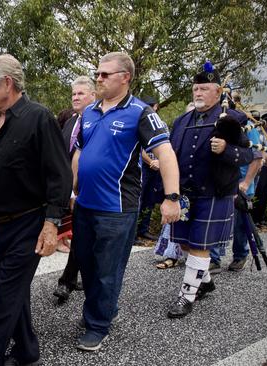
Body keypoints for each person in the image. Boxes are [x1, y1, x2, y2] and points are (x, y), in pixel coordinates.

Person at [73, 52, 180, 350]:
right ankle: (103, 309)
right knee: (87, 265)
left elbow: (166, 154)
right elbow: (80, 153)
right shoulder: (90, 112)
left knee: (108, 270)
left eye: (105, 74)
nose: (99, 78)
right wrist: (73, 191)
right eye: (97, 73)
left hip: (117, 209)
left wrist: (172, 198)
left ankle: (98, 325)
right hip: (85, 205)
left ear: (125, 77)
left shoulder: (141, 112)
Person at [0, 54, 71, 366]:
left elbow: (60, 174)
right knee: (14, 293)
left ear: (7, 83)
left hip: (29, 224)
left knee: (3, 298)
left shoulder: (39, 117)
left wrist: (51, 224)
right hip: (1, 224)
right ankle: (28, 351)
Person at [167, 62, 254, 318]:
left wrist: (226, 149)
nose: (198, 93)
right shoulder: (182, 120)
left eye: (204, 88)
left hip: (214, 193)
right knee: (184, 243)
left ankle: (186, 295)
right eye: (195, 88)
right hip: (185, 193)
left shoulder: (231, 120)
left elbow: (250, 155)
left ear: (218, 92)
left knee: (199, 245)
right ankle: (204, 281)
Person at [52, 76, 96, 303]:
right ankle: (73, 279)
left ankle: (67, 281)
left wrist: (76, 190)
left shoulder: (98, 122)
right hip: (65, 189)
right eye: (73, 94)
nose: (75, 98)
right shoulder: (70, 122)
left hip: (86, 190)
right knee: (78, 236)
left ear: (93, 96)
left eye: (80, 94)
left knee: (81, 236)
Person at [208, 117, 263, 273]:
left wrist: (246, 183)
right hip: (225, 184)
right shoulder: (220, 126)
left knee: (240, 224)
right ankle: (214, 259)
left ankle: (240, 255)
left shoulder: (248, 129)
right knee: (217, 223)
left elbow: (256, 158)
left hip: (242, 185)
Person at [136, 96, 164, 242]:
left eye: (150, 106)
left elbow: (166, 146)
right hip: (145, 166)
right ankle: (134, 232)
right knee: (139, 199)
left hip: (158, 166)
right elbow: (139, 148)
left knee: (150, 200)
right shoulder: (140, 123)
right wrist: (151, 161)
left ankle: (144, 229)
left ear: (156, 107)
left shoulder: (161, 124)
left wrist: (159, 162)